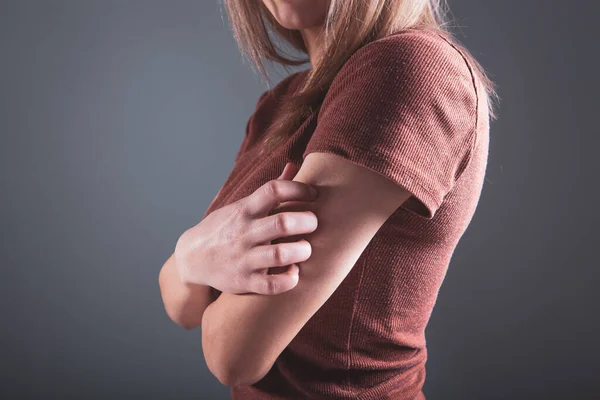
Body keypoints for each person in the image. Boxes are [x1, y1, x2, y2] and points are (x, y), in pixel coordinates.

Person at [159, 0, 498, 399]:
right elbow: (183, 307)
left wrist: (194, 261)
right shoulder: (282, 102)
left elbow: (233, 353)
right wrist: (192, 253)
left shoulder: (411, 68)